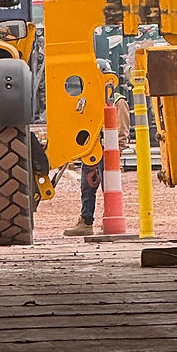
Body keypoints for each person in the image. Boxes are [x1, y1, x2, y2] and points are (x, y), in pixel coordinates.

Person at [64, 74, 131, 237]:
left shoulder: (117, 101)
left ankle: (110, 219)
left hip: (108, 150)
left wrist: (117, 150)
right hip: (92, 150)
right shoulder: (89, 100)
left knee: (109, 189)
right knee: (87, 187)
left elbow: (122, 128)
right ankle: (86, 221)